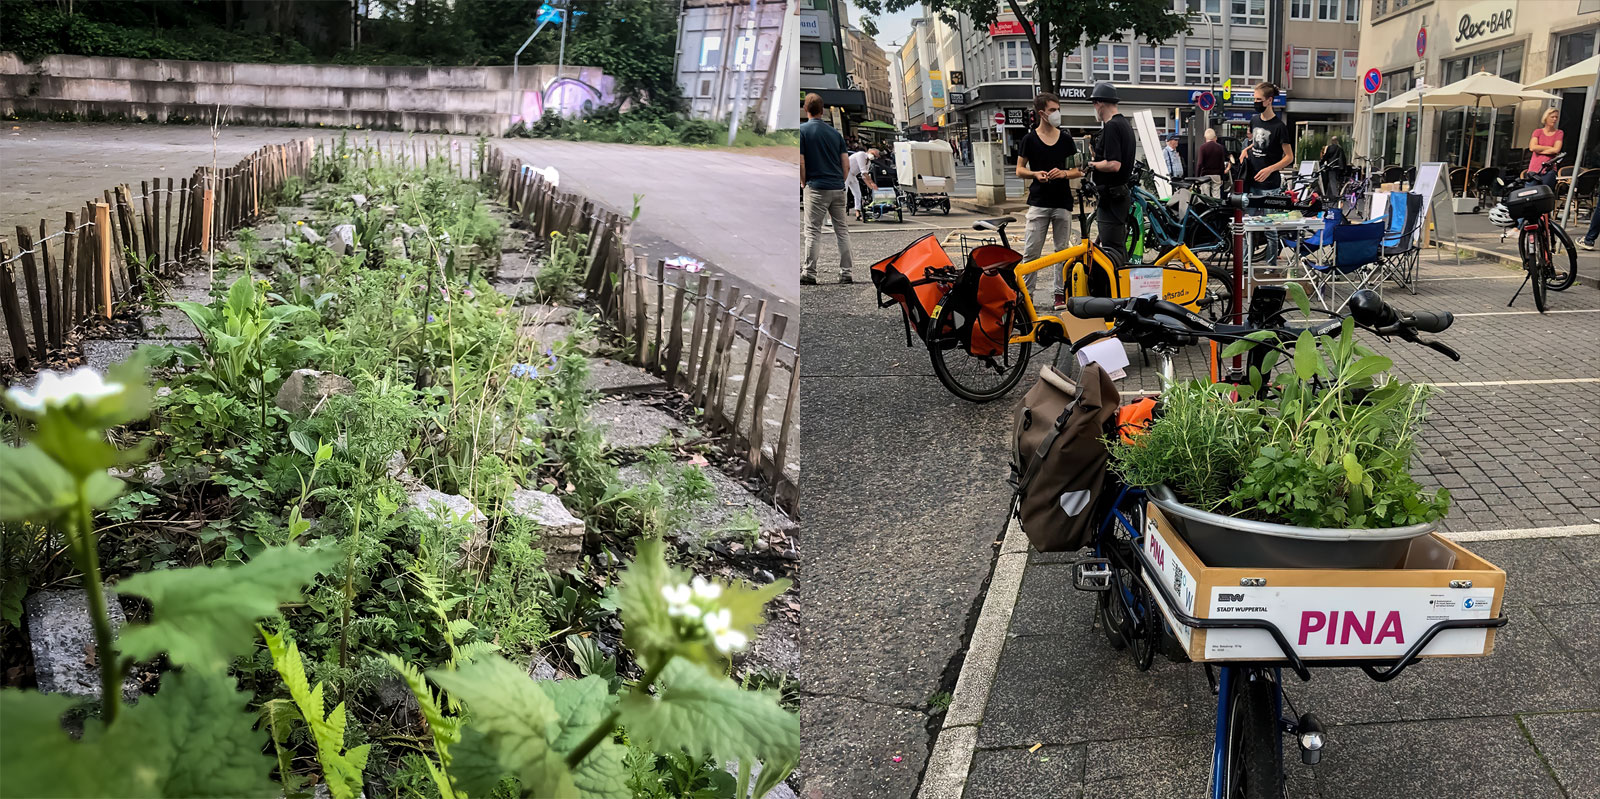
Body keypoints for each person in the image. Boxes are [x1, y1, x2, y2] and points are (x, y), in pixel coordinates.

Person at [1015, 92, 1084, 308]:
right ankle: (1027, 297)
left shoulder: (1065, 138)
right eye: (1053, 110)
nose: (1057, 113)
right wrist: (1035, 174)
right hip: (1038, 202)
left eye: (1058, 108)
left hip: (1062, 202)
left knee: (1061, 251)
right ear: (1042, 113)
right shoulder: (1029, 139)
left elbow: (1077, 170)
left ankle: (1059, 294)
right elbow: (1019, 170)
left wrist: (1063, 173)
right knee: (1031, 252)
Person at [800, 93, 853, 285]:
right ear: (822, 111)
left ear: (806, 109)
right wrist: (840, 181)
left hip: (816, 187)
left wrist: (803, 182)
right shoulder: (835, 134)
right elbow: (846, 164)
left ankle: (809, 273)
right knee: (842, 231)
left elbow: (801, 162)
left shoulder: (802, 131)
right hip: (837, 187)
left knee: (813, 231)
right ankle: (846, 272)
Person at [1239, 81, 1293, 264]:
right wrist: (1247, 149)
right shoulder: (1254, 120)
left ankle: (1271, 266)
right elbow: (1260, 142)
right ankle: (1245, 266)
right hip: (1252, 181)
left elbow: (1289, 157)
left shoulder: (1279, 127)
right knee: (1248, 226)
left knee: (1270, 228)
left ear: (1269, 101)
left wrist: (1270, 169)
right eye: (1254, 99)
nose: (1255, 102)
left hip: (1270, 185)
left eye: (1258, 99)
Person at [1087, 81, 1136, 269]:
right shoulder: (1124, 124)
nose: (1094, 108)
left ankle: (1117, 294)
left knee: (1112, 250)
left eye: (1094, 103)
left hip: (1112, 196)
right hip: (1119, 195)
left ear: (1099, 103)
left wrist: (1091, 165)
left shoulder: (1112, 126)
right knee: (1117, 247)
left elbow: (1114, 164)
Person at [1528, 108, 1564, 187]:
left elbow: (1556, 149)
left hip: (1549, 169)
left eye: (1556, 117)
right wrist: (1550, 148)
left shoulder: (1559, 133)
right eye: (1552, 117)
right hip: (1534, 168)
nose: (1554, 119)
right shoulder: (1538, 132)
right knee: (1530, 192)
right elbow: (1532, 148)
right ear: (1546, 118)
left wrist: (1539, 150)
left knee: (1545, 193)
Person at [846, 147, 879, 220]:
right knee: (844, 193)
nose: (874, 157)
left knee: (858, 194)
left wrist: (871, 188)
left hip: (852, 175)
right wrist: (872, 183)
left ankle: (858, 213)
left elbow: (864, 176)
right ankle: (841, 214)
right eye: (874, 154)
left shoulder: (868, 162)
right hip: (846, 173)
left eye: (876, 156)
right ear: (869, 152)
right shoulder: (861, 154)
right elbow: (863, 172)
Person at [1197, 128, 1228, 198]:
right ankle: (1216, 207)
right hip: (1217, 175)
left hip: (1205, 175)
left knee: (1205, 196)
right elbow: (1221, 164)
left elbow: (1200, 163)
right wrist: (1222, 176)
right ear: (1214, 137)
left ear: (1205, 137)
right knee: (1216, 194)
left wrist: (1197, 176)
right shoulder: (1220, 148)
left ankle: (1207, 207)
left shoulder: (1203, 147)